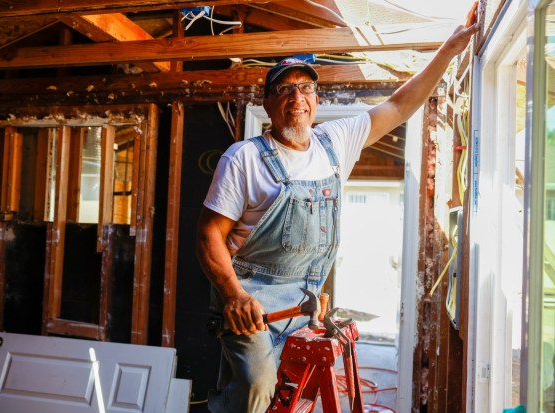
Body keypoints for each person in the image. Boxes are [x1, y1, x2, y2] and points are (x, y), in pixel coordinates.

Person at [196, 21, 479, 413]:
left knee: (298, 395)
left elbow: (398, 105)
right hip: (251, 303)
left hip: (305, 304)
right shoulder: (244, 158)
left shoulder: (334, 144)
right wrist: (234, 296)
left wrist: (448, 50)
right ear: (268, 103)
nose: (297, 97)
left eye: (306, 88)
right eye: (284, 89)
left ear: (316, 97)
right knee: (256, 390)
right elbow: (209, 235)